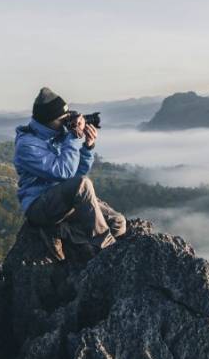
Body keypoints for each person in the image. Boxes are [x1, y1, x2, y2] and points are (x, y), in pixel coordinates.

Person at [14, 87, 127, 261]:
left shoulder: (59, 135)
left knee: (118, 222)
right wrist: (73, 137)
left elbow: (77, 174)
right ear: (49, 120)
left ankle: (63, 232)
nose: (67, 122)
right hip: (39, 206)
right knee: (83, 184)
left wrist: (88, 147)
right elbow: (64, 173)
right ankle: (106, 250)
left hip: (63, 201)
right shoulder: (28, 145)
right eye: (63, 119)